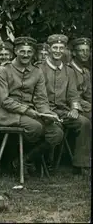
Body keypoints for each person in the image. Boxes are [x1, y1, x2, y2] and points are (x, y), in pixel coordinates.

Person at [0, 36, 64, 175]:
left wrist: (47, 113)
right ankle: (14, 160)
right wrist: (28, 111)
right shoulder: (3, 70)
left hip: (30, 114)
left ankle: (25, 159)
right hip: (7, 113)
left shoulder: (37, 72)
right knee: (35, 127)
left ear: (33, 53)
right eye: (22, 51)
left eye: (29, 52)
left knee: (57, 133)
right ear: (15, 51)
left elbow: (41, 99)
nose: (26, 55)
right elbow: (4, 100)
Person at [40, 34, 91, 176]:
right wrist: (46, 111)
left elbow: (73, 94)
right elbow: (37, 95)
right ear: (49, 49)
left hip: (63, 111)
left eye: (61, 48)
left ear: (65, 50)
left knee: (84, 122)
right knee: (54, 130)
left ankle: (81, 165)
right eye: (55, 48)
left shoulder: (69, 71)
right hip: (45, 110)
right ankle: (41, 161)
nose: (58, 51)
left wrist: (74, 108)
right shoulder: (40, 69)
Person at [69, 38, 92, 117]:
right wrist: (86, 104)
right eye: (81, 50)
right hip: (71, 107)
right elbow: (67, 95)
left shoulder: (86, 71)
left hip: (84, 106)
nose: (85, 53)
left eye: (87, 50)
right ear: (74, 53)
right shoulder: (68, 70)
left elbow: (89, 95)